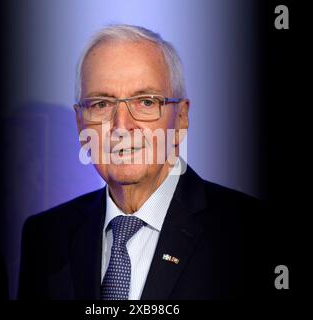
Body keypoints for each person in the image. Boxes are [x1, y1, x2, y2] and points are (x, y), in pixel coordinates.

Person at [18, 24, 260, 300]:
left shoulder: (247, 232)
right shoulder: (46, 236)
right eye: (101, 104)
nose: (121, 126)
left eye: (145, 102)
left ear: (180, 119)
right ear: (80, 122)